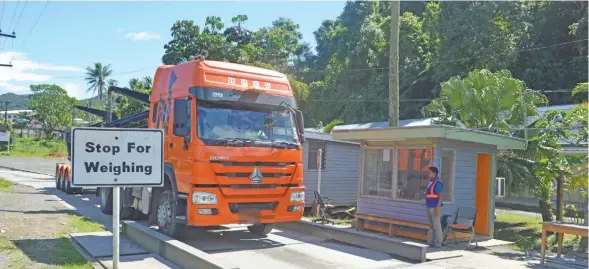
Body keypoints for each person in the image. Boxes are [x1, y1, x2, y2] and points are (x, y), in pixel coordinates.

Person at [425, 166, 443, 248]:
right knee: (431, 226)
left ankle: (438, 243)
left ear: (434, 173)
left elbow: (441, 197)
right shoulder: (431, 182)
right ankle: (431, 242)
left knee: (437, 226)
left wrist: (437, 209)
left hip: (435, 207)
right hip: (429, 206)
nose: (428, 174)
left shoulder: (437, 183)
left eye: (430, 172)